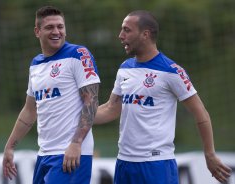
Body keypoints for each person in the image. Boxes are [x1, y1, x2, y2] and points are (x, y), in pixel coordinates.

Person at [94, 10, 232, 184]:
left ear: (145, 34)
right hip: (124, 163)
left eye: (127, 30)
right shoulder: (125, 68)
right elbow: (111, 108)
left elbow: (201, 113)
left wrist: (209, 154)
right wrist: (77, 115)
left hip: (156, 165)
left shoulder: (172, 71)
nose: (120, 35)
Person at [2, 6, 100, 184]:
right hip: (44, 153)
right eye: (50, 27)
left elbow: (91, 101)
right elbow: (29, 110)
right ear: (37, 31)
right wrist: (9, 147)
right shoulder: (36, 64)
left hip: (70, 153)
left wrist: (76, 143)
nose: (56, 31)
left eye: (60, 26)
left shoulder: (78, 54)